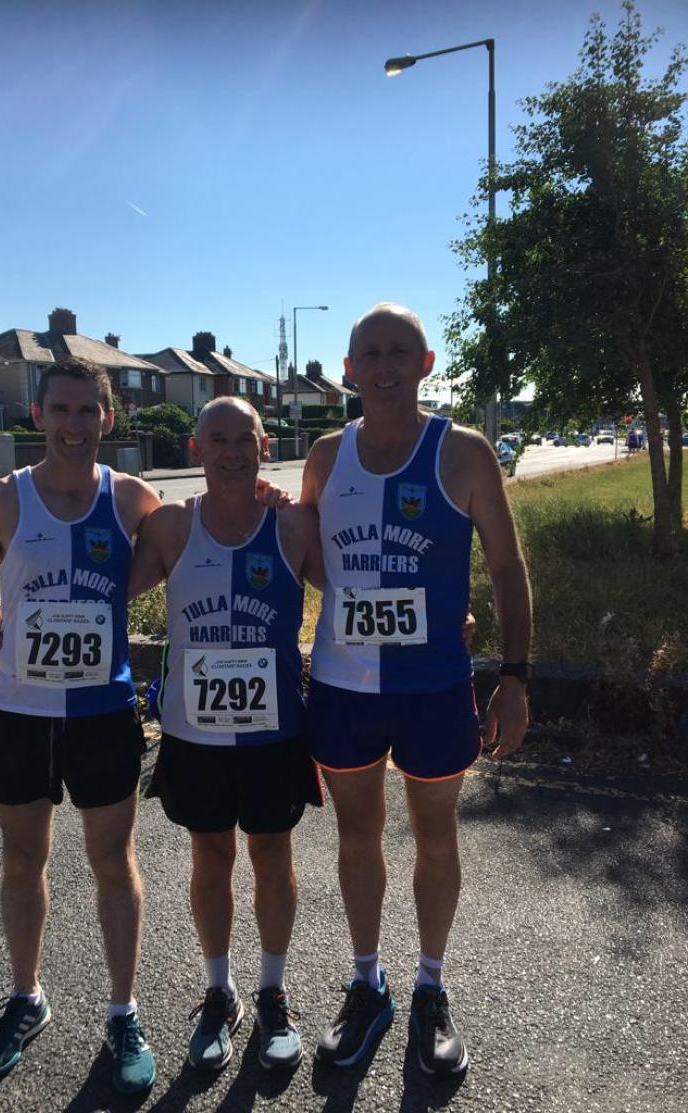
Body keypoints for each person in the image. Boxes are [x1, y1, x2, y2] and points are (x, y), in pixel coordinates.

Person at [301, 303, 531, 1076]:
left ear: (426, 363)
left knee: (435, 836)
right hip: (343, 685)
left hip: (432, 686)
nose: (385, 365)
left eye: (399, 350)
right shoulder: (325, 455)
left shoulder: (462, 452)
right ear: (348, 370)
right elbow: (310, 558)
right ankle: (368, 983)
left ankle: (430, 986)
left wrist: (514, 677)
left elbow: (506, 566)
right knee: (355, 835)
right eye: (370, 353)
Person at [0, 358, 161, 1095]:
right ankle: (26, 997)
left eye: (87, 410)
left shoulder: (131, 497)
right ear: (37, 416)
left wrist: (265, 494)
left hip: (102, 715)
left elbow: (193, 541)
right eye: (60, 409)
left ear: (108, 418)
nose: (74, 424)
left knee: (112, 861)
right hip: (18, 715)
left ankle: (123, 1012)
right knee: (21, 859)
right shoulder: (1, 502)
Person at [130, 396, 323, 1073]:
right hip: (196, 731)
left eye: (245, 439)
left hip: (274, 729)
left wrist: (449, 618)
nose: (233, 452)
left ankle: (273, 992)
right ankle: (220, 992)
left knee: (271, 852)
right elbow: (104, 591)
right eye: (219, 439)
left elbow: (356, 590)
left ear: (264, 447)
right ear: (197, 449)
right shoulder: (170, 526)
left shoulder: (293, 523)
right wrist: (15, 619)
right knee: (210, 856)